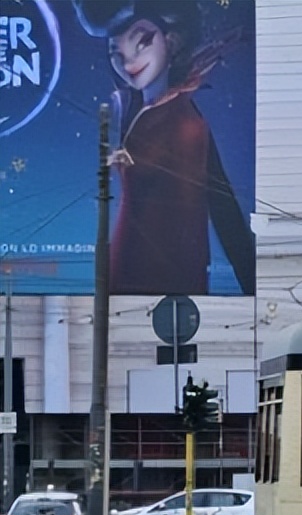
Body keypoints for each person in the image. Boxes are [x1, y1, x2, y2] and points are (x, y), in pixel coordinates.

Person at [74, 0, 255, 296]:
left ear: (172, 41)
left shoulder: (185, 124)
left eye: (142, 43)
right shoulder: (135, 109)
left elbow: (223, 208)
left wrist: (250, 281)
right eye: (116, 53)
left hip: (168, 275)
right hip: (128, 266)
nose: (129, 63)